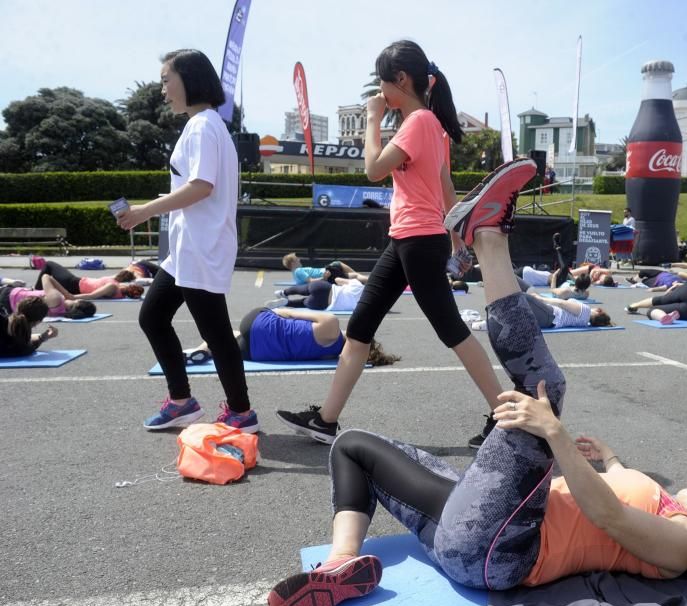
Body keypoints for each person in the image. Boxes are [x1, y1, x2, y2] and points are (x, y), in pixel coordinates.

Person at [265, 215, 687, 606]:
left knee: (544, 392)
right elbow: (615, 510)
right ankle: (341, 564)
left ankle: (489, 237)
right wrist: (614, 461)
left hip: (504, 547)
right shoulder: (670, 518)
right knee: (352, 446)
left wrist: (555, 435)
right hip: (473, 540)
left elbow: (612, 519)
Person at [275, 40, 537, 448]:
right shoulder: (430, 126)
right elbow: (446, 188)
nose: (380, 94)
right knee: (360, 328)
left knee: (453, 331)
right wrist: (457, 240)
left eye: (383, 85)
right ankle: (326, 420)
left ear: (401, 80)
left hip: (417, 241)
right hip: (409, 240)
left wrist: (372, 119)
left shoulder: (417, 123)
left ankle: (505, 417)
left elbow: (374, 170)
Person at [115, 49, 257, 432]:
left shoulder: (202, 126)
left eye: (166, 79)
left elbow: (201, 186)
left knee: (214, 333)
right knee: (153, 316)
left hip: (200, 247)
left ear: (189, 79)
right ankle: (182, 401)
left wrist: (145, 210)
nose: (162, 89)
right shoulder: (206, 125)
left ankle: (241, 413)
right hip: (188, 249)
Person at [184, 307, 399, 367]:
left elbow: (288, 312)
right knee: (228, 339)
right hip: (258, 353)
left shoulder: (332, 325)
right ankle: (204, 349)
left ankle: (201, 350)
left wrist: (269, 311)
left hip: (260, 325)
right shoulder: (331, 357)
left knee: (237, 331)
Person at [32, 260, 144, 300]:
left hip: (73, 283)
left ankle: (35, 291)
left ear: (129, 287)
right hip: (75, 284)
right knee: (49, 275)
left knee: (49, 265)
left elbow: (92, 295)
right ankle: (37, 291)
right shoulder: (119, 290)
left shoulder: (113, 287)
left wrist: (71, 297)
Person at [1, 277, 97, 320]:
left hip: (10, 295)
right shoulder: (60, 313)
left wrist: (67, 294)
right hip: (10, 307)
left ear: (79, 302)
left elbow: (46, 277)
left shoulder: (57, 299)